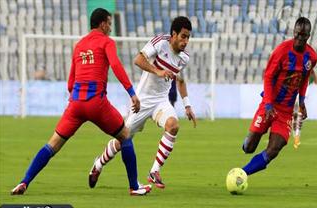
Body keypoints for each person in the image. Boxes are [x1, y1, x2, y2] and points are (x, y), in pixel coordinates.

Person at [11, 8, 151, 196]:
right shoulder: (107, 42)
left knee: (52, 144)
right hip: (97, 103)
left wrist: (77, 104)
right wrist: (132, 93)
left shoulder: (79, 45)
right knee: (125, 136)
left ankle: (24, 182)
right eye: (109, 23)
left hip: (76, 103)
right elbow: (116, 66)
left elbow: (71, 82)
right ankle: (134, 186)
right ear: (102, 24)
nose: (110, 28)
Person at [89, 16, 196, 189]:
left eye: (188, 37)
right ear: (174, 34)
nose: (186, 41)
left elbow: (180, 80)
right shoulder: (160, 43)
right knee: (122, 139)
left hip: (161, 101)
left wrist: (187, 105)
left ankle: (154, 172)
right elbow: (138, 60)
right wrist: (158, 71)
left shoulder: (184, 58)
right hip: (143, 100)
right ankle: (99, 164)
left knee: (173, 126)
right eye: (183, 36)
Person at [240, 17, 317, 176]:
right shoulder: (281, 51)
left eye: (304, 35)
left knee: (274, 149)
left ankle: (241, 173)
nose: (300, 38)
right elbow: (268, 77)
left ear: (308, 36)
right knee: (249, 147)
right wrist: (268, 105)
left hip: (286, 112)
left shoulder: (311, 57)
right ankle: (251, 139)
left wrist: (301, 102)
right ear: (293, 32)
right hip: (269, 105)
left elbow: (304, 80)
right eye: (298, 34)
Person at [292, 70, 317, 148]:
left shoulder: (306, 61)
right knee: (295, 115)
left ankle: (296, 136)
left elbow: (312, 71)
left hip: (303, 90)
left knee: (299, 113)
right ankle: (295, 135)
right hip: (293, 90)